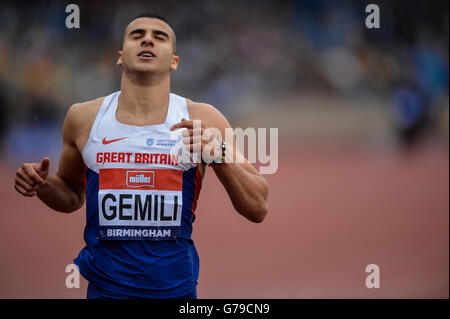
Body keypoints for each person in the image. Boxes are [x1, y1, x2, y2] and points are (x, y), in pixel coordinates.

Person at [13, 13, 269, 299]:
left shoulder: (202, 118)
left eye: (159, 37)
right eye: (137, 35)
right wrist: (43, 184)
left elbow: (257, 207)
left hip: (176, 293)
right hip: (105, 292)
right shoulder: (83, 118)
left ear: (174, 61)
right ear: (121, 56)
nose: (148, 39)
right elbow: (72, 194)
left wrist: (219, 154)